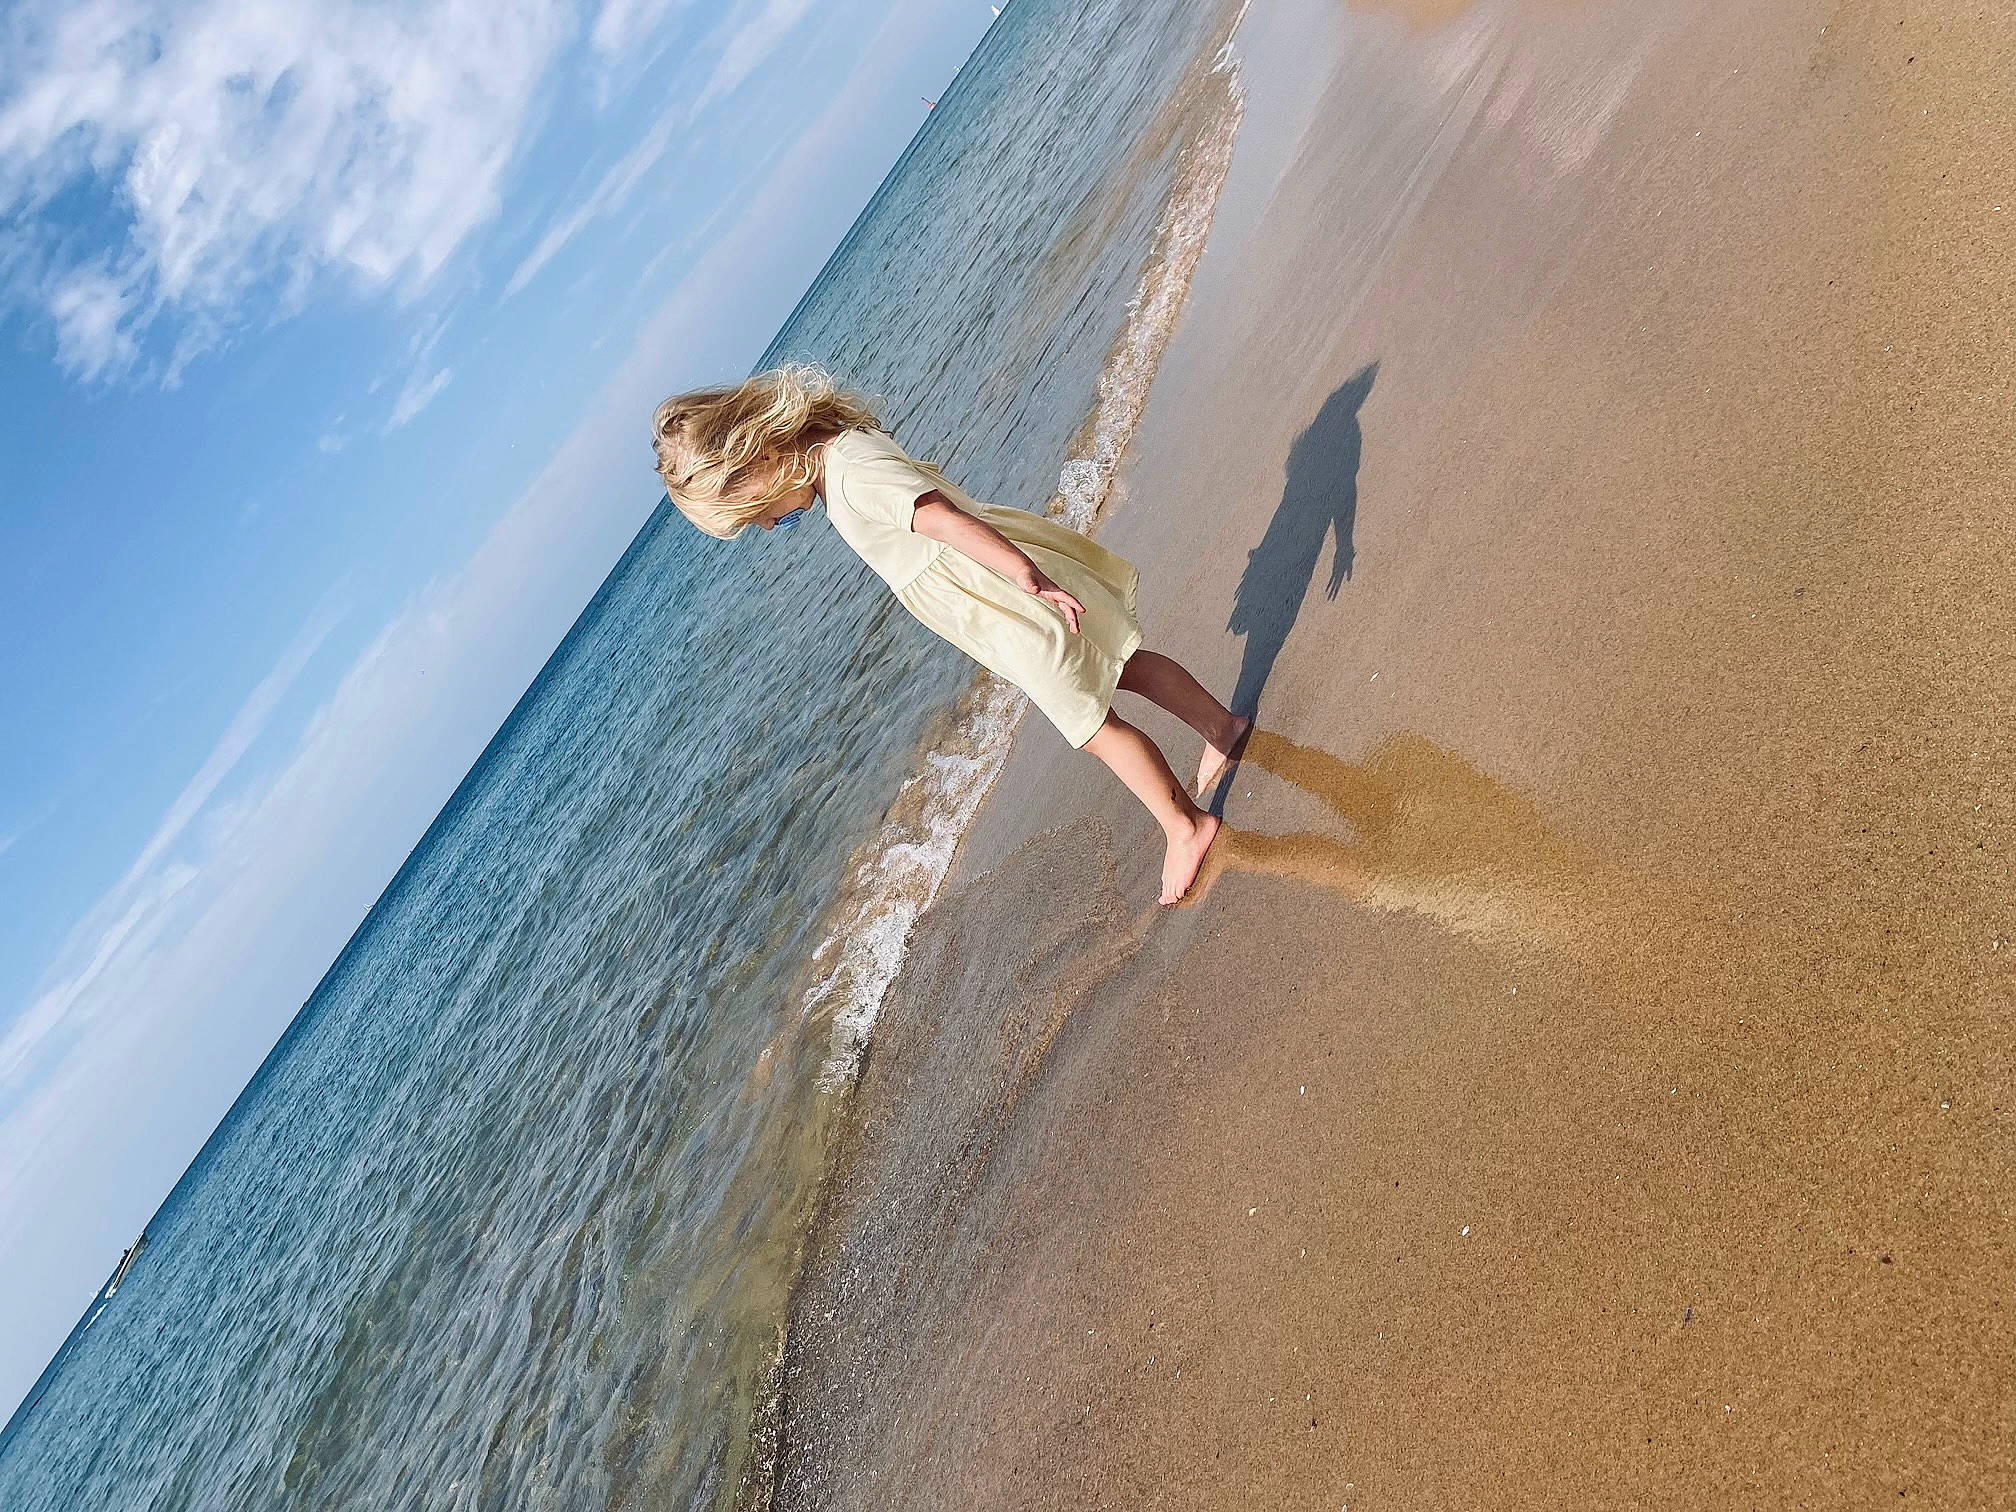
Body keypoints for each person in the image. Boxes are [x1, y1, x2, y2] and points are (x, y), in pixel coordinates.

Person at [653, 364, 1249, 904]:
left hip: (1006, 597)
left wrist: (1027, 579)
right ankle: (1221, 728)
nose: (764, 524)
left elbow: (940, 518)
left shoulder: (853, 475)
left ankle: (1185, 826)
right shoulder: (839, 454)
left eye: (751, 512)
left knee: (1090, 724)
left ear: (753, 461)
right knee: (1126, 666)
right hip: (1001, 588)